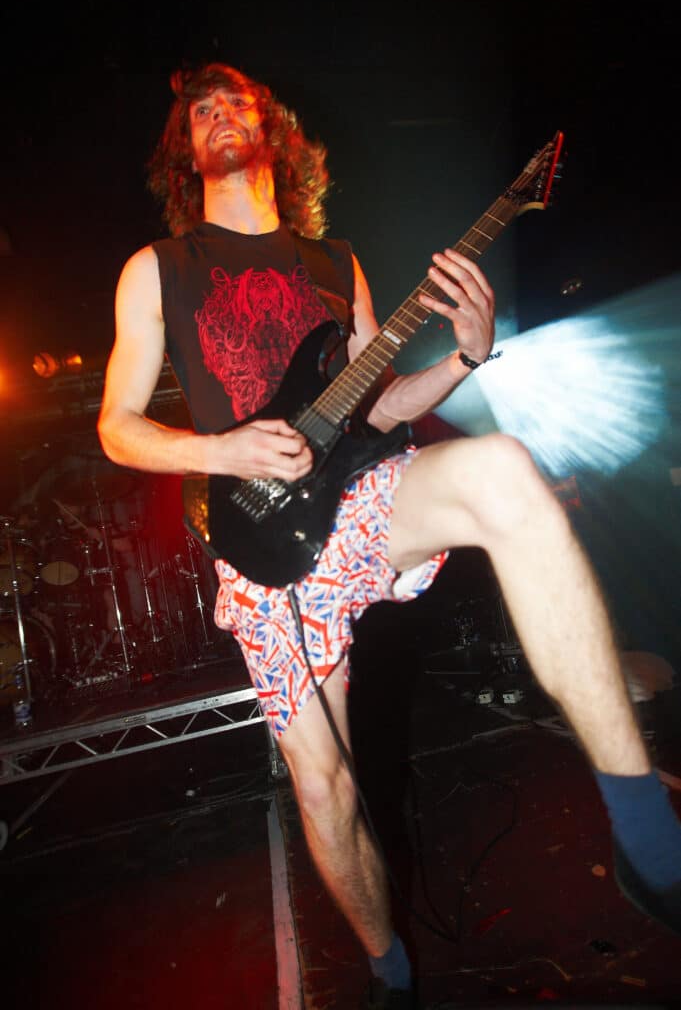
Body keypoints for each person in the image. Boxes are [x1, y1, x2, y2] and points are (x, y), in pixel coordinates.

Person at [98, 62, 681, 1008]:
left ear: (272, 127)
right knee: (325, 786)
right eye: (195, 113)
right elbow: (117, 425)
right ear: (183, 149)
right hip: (262, 548)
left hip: (363, 499)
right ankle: (390, 976)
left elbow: (380, 408)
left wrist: (465, 352)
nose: (213, 117)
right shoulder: (157, 268)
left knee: (501, 468)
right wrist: (223, 447)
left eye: (229, 102)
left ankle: (646, 840)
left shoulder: (337, 266)